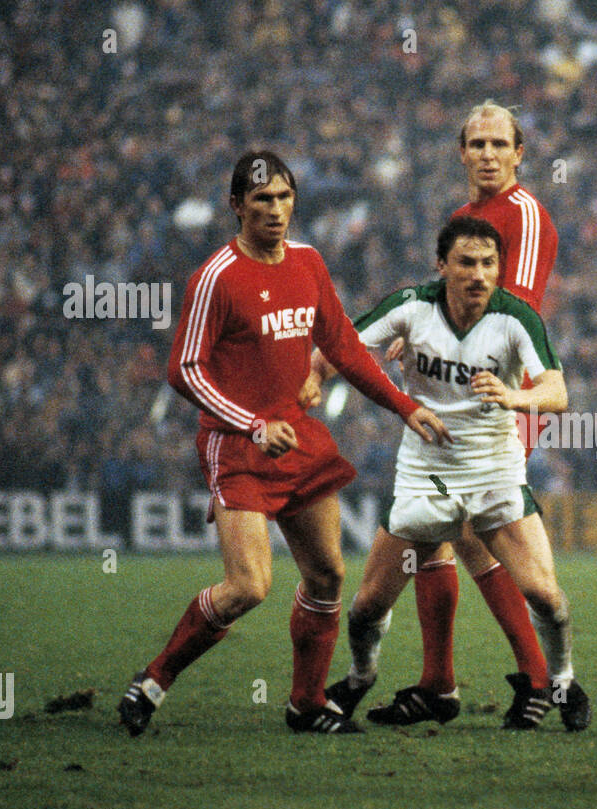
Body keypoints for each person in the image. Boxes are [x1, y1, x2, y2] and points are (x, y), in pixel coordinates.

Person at [118, 151, 449, 737]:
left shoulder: (308, 263)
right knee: (249, 587)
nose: (275, 209)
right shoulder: (217, 276)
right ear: (237, 205)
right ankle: (153, 679)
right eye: (262, 199)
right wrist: (252, 425)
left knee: (326, 576)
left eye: (284, 197)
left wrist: (406, 407)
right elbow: (184, 370)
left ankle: (305, 703)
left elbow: (344, 347)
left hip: (296, 439)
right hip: (238, 448)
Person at [304, 101, 579, 728]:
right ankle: (449, 683)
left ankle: (529, 678)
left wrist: (446, 345)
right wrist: (421, 336)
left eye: (498, 144)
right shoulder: (463, 218)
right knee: (443, 536)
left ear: (519, 153)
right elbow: (445, 299)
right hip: (459, 394)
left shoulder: (526, 216)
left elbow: (516, 313)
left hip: (502, 399)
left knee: (473, 538)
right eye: (476, 144)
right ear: (461, 153)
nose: (487, 154)